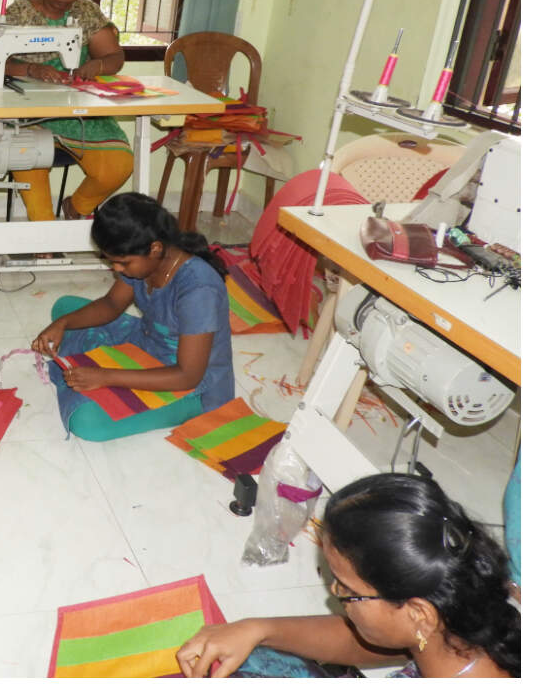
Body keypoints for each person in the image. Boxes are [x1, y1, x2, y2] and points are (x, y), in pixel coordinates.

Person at [176, 473, 521, 678]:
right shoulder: (463, 617)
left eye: (348, 590)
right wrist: (259, 629)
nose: (334, 594)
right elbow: (387, 642)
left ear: (418, 613)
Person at [32, 192, 232, 441]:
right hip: (146, 340)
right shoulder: (148, 263)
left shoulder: (198, 290)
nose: (116, 269)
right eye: (113, 261)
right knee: (65, 308)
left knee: (86, 421)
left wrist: (106, 376)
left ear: (155, 248)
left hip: (190, 386)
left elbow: (187, 375)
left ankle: (182, 409)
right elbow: (111, 304)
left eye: (123, 263)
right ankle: (83, 366)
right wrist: (62, 324)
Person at [2, 0, 130, 222]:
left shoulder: (85, 12)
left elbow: (115, 56)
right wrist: (31, 68)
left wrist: (96, 65)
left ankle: (77, 207)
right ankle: (45, 231)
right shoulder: (20, 14)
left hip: (78, 113)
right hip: (29, 114)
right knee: (27, 154)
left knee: (120, 165)